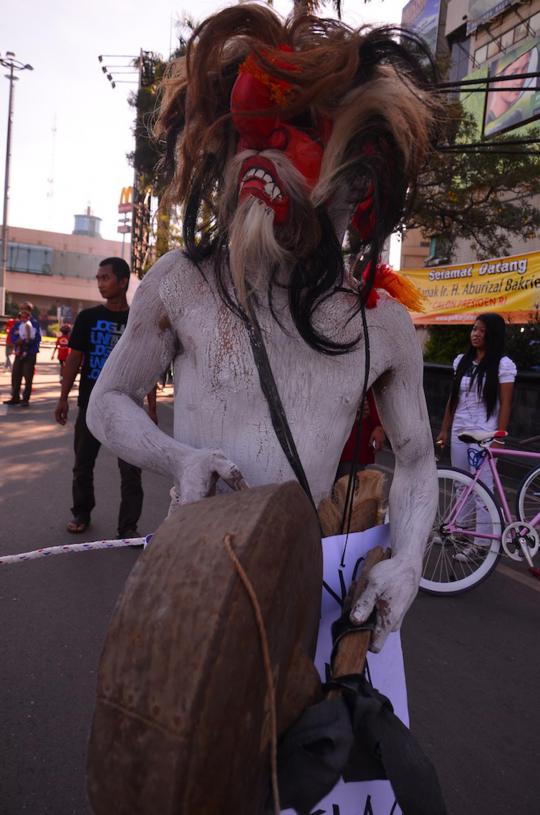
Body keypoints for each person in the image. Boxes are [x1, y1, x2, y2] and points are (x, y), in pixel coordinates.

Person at [87, 6, 439, 652]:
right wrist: (179, 457)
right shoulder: (181, 281)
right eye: (253, 134)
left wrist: (409, 558)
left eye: (294, 134)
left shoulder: (382, 325)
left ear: (355, 180)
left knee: (285, 743)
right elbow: (105, 403)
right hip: (181, 580)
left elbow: (417, 458)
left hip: (295, 594)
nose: (262, 152)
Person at [54, 257, 157, 536]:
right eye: (98, 278)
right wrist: (63, 397)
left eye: (106, 278)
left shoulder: (138, 320)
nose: (100, 283)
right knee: (83, 465)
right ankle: (81, 513)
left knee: (131, 471)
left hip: (128, 409)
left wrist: (151, 408)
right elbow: (74, 360)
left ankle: (128, 528)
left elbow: (146, 363)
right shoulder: (88, 318)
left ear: (123, 282)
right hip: (92, 406)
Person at [437, 313, 516, 558]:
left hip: (485, 434)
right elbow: (453, 399)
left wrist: (500, 437)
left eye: (481, 330)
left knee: (482, 487)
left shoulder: (503, 365)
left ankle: (483, 543)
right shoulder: (462, 361)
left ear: (492, 335)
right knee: (462, 483)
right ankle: (459, 531)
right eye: (473, 329)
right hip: (460, 431)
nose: (475, 334)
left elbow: (506, 403)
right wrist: (444, 429)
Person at [337, 390, 386, 480]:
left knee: (346, 487)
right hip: (325, 439)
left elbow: (376, 393)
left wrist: (379, 425)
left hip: (352, 445)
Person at [4, 302, 41, 406]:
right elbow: (12, 334)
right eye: (21, 309)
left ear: (29, 310)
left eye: (25, 309)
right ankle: (15, 397)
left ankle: (25, 399)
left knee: (28, 376)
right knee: (16, 375)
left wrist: (25, 341)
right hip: (19, 353)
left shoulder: (34, 323)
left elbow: (38, 338)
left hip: (30, 353)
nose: (23, 311)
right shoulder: (18, 322)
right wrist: (16, 340)